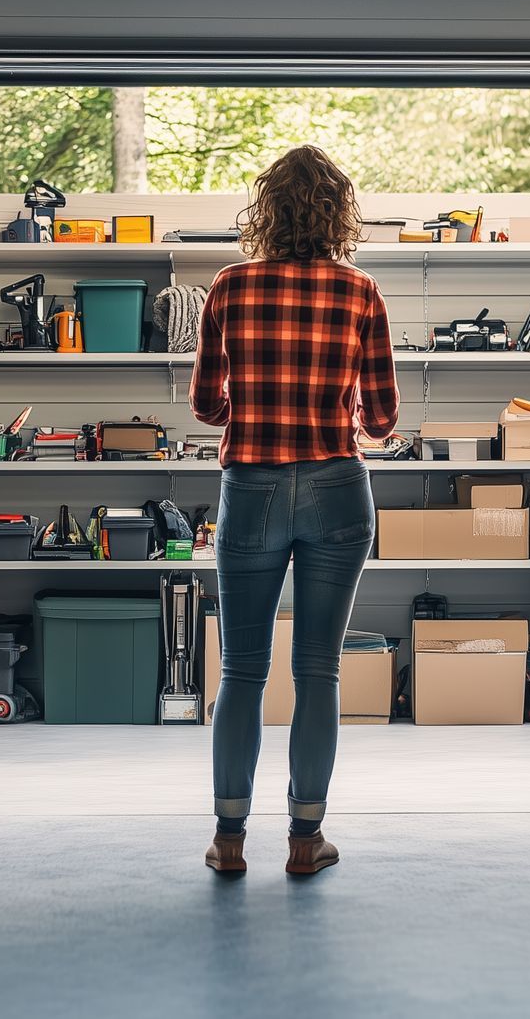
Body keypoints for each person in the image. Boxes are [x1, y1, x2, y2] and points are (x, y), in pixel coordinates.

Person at [191, 145, 398, 875]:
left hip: (250, 487)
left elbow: (205, 404)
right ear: (339, 214)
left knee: (241, 672)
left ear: (265, 211)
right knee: (320, 670)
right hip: (339, 488)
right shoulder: (361, 291)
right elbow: (380, 421)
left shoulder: (228, 286)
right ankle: (306, 842)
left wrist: (249, 399)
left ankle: (228, 840)